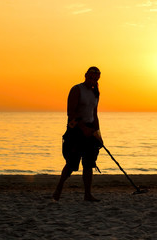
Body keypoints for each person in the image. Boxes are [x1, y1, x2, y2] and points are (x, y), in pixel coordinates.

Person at [53, 66, 103, 202]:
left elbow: (94, 114)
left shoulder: (95, 93)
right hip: (76, 130)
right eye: (91, 77)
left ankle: (88, 194)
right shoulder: (76, 89)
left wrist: (98, 133)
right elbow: (71, 113)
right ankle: (58, 188)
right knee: (71, 163)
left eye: (95, 78)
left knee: (89, 163)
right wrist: (83, 128)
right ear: (86, 75)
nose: (92, 80)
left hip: (90, 130)